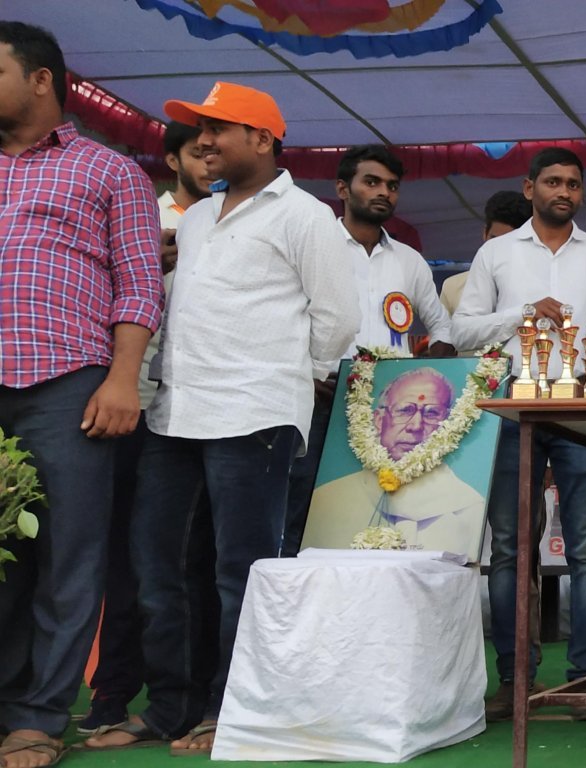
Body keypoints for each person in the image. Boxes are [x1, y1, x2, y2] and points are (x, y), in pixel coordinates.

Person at [84, 81, 359, 755]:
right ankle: (170, 709)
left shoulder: (305, 216)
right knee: (159, 570)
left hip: (254, 415)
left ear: (262, 139)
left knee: (242, 573)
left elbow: (338, 321)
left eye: (218, 129)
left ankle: (232, 711)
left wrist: (280, 374)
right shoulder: (198, 218)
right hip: (174, 413)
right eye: (199, 130)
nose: (203, 141)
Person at [0, 22, 164, 768]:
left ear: (41, 79)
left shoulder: (109, 170)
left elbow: (139, 285)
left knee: (67, 556)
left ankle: (37, 717)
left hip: (66, 385)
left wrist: (122, 379)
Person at [452, 147, 586, 721]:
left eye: (573, 183)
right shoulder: (495, 254)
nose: (564, 192)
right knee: (508, 549)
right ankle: (514, 677)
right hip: (510, 407)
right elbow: (462, 331)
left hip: (581, 407)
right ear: (530, 189)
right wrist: (523, 314)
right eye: (553, 182)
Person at [79, 121, 221, 736]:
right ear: (172, 159)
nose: (211, 162)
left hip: (202, 407)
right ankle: (113, 690)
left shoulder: (232, 221)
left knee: (188, 557)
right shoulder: (143, 214)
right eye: (198, 152)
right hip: (128, 400)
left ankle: (194, 694)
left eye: (217, 150)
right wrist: (147, 263)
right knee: (125, 557)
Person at [282, 144, 455, 557]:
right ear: (342, 188)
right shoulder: (315, 245)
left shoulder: (409, 260)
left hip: (389, 406)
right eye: (372, 182)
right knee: (303, 501)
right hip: (322, 393)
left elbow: (442, 325)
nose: (384, 193)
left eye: (392, 186)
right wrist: (305, 373)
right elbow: (284, 318)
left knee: (382, 506)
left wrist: (429, 365)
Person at [306, 367, 484, 555]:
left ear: (448, 424)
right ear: (379, 420)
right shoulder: (329, 498)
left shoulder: (468, 506)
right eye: (405, 410)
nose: (416, 426)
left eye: (432, 413)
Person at [440, 191, 532, 315]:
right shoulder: (453, 287)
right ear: (484, 233)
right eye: (494, 240)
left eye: (509, 242)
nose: (499, 249)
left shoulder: (542, 286)